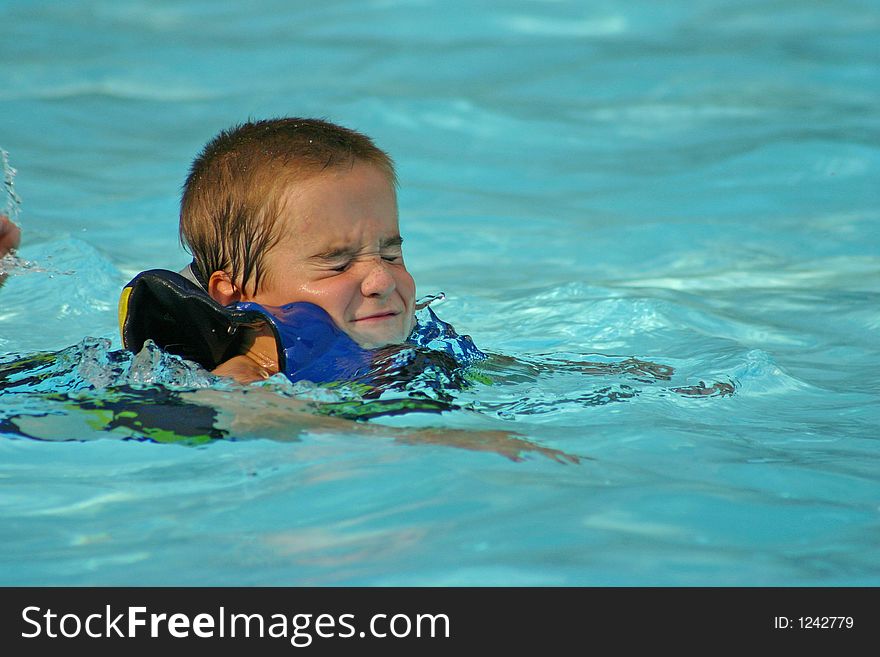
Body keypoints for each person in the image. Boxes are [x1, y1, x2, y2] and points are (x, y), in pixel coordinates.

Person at [175, 117, 420, 384]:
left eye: (390, 256)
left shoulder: (405, 349)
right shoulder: (242, 387)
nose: (383, 281)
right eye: (339, 265)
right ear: (233, 293)